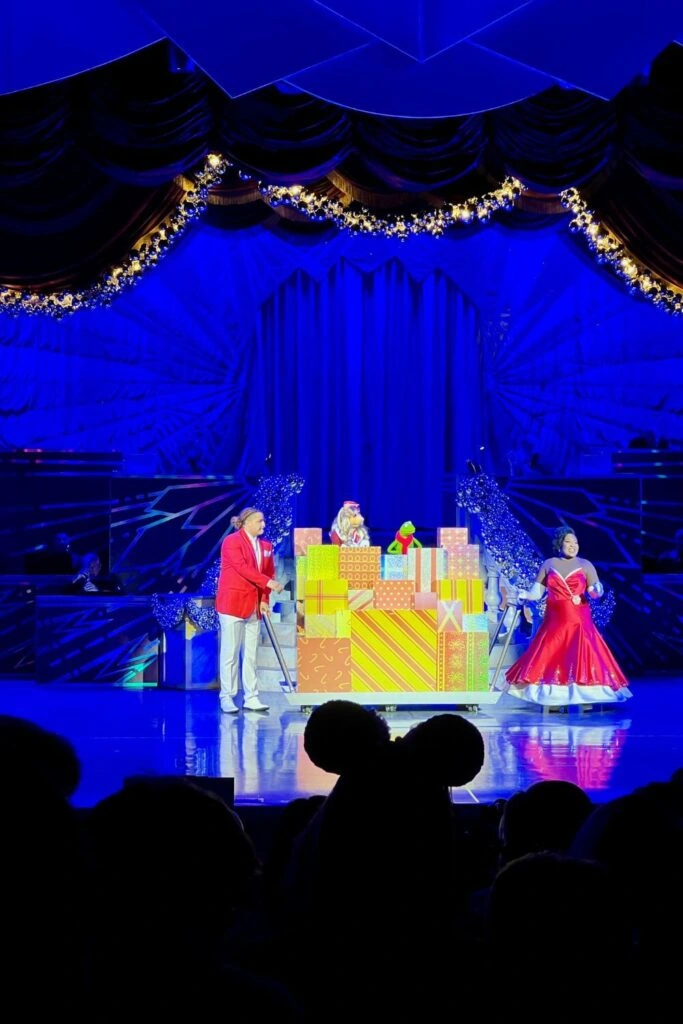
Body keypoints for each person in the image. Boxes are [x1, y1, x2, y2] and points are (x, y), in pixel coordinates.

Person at [499, 525, 632, 706]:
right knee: (551, 653)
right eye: (568, 542)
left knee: (581, 653)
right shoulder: (549, 564)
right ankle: (552, 698)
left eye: (575, 542)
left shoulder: (585, 565)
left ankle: (587, 696)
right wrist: (525, 594)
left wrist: (596, 591)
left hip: (578, 618)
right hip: (554, 619)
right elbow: (537, 593)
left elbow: (594, 590)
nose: (573, 545)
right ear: (559, 544)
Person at [215, 507, 283, 714]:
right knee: (231, 654)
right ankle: (227, 696)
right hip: (233, 603)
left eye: (264, 521)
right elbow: (242, 568)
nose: (263, 525)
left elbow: (268, 570)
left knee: (251, 655)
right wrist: (269, 582)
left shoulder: (266, 546)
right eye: (259, 521)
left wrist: (265, 597)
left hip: (253, 606)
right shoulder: (232, 542)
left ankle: (251, 697)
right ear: (246, 523)